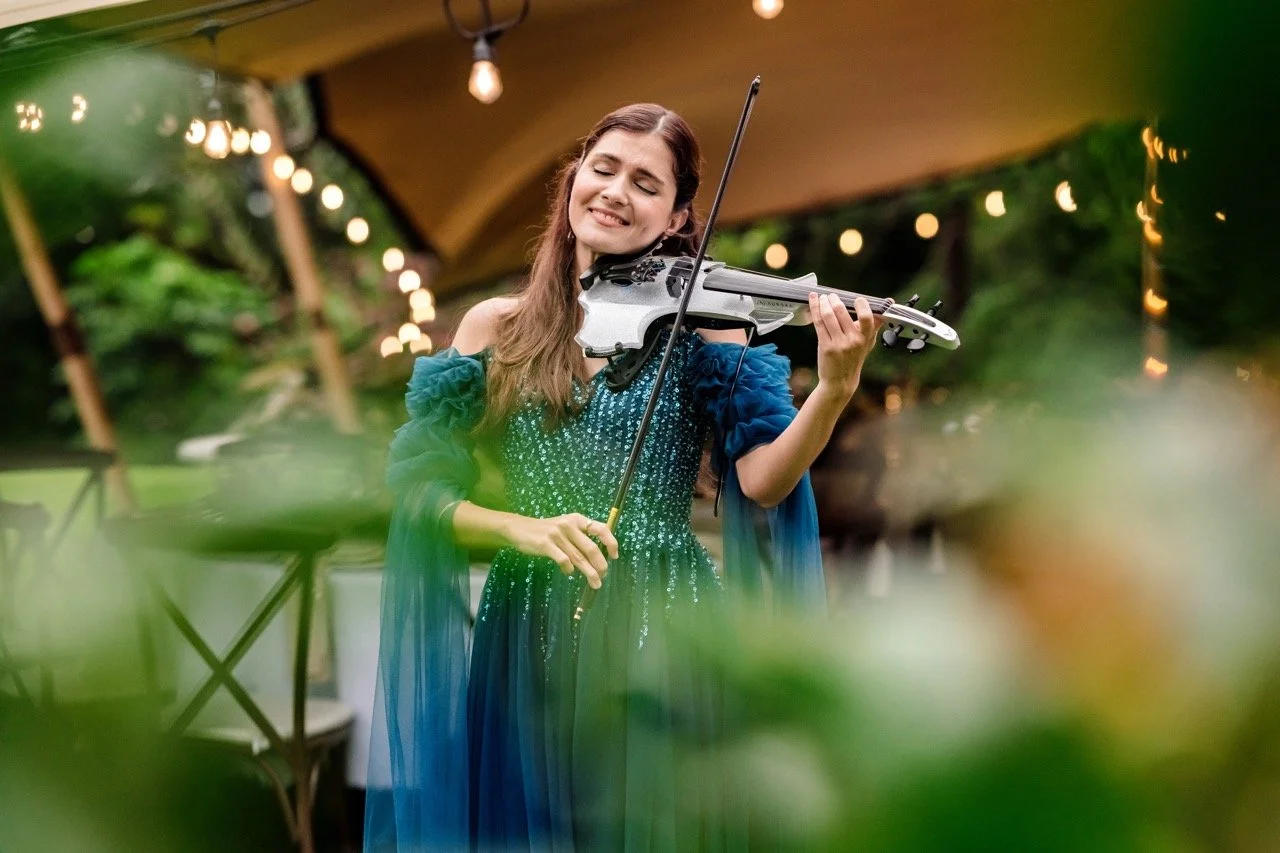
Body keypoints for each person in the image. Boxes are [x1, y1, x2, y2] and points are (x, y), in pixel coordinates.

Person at [364, 103, 883, 852]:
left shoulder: (706, 324)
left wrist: (833, 391)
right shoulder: (495, 326)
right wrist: (524, 528)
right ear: (574, 180)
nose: (615, 191)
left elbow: (764, 480)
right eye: (603, 168)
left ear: (674, 217)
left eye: (646, 183)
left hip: (665, 626)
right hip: (527, 629)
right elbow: (418, 492)